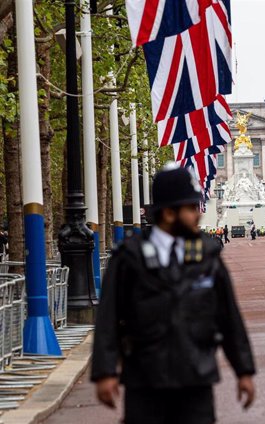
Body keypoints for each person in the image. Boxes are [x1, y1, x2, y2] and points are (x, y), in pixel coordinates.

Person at [92, 164, 256, 424]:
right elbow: (108, 316)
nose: (198, 215)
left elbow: (228, 317)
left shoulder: (207, 255)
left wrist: (244, 371)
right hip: (145, 380)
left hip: (196, 377)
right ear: (169, 213)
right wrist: (104, 371)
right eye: (191, 208)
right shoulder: (129, 257)